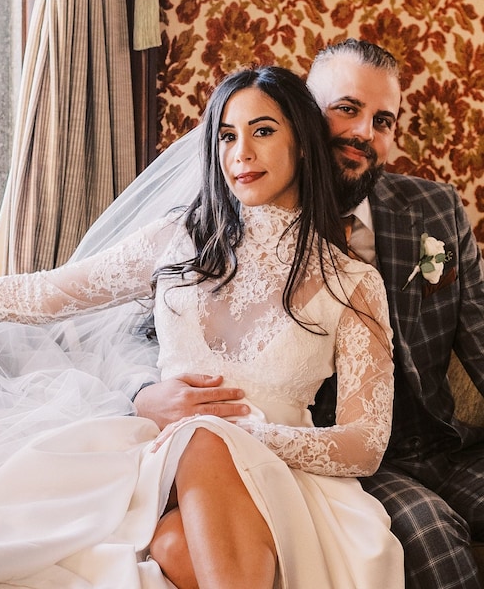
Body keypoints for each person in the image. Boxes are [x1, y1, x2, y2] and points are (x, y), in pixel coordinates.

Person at [0, 66, 404, 588]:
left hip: (285, 480)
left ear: (306, 145)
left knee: (181, 530)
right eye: (227, 136)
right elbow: (47, 294)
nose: (240, 152)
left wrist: (246, 433)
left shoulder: (353, 284)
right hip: (158, 468)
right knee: (188, 455)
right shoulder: (177, 241)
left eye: (262, 131)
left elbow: (365, 443)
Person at [136, 39, 484, 589]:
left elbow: (480, 338)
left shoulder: (433, 208)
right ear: (302, 118)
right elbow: (153, 334)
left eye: (383, 120)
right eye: (346, 109)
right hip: (333, 459)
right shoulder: (226, 226)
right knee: (432, 536)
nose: (364, 132)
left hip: (444, 445)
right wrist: (144, 394)